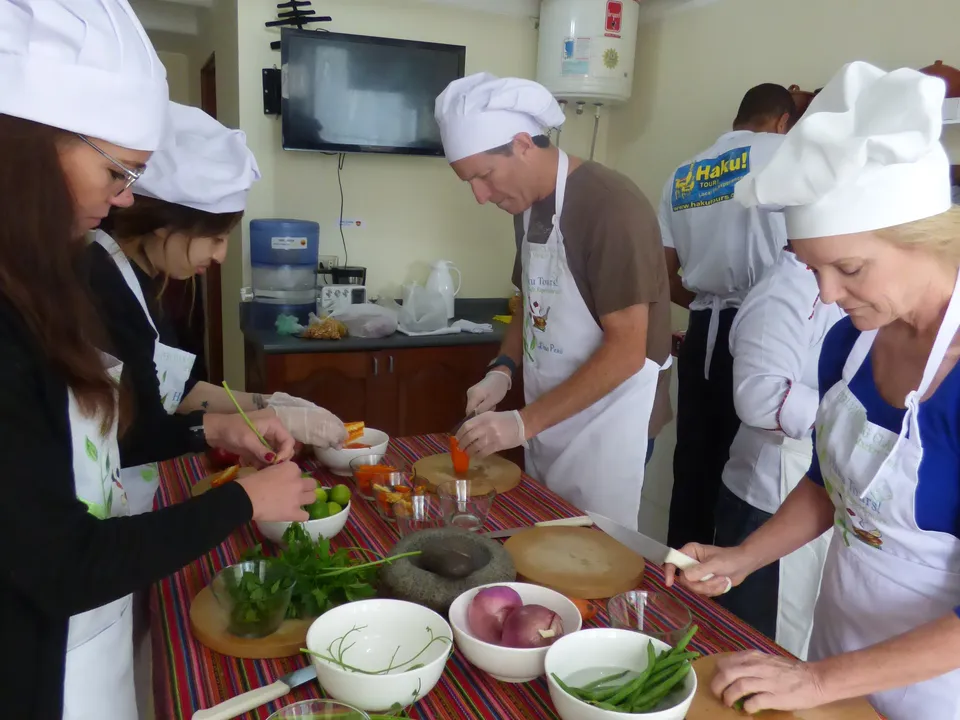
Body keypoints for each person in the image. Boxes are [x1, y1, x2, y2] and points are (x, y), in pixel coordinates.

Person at [0, 2, 315, 717]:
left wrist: (215, 428)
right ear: (29, 150)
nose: (122, 200)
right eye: (118, 172)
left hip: (89, 624)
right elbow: (58, 562)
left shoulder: (42, 282)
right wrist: (242, 500)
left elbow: (107, 437)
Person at [665, 61, 960, 719]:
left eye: (848, 267)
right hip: (837, 651)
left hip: (936, 687)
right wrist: (744, 557)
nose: (826, 294)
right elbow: (831, 483)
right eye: (813, 268)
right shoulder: (851, 344)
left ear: (927, 241)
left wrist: (819, 683)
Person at [87, 100, 348, 515]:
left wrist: (268, 402)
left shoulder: (144, 280)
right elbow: (134, 433)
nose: (222, 255)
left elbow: (179, 390)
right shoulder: (100, 283)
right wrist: (229, 428)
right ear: (167, 223)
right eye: (216, 238)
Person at [436, 73, 672, 530]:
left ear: (523, 144)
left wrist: (522, 424)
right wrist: (503, 369)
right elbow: (530, 299)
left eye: (484, 176)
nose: (480, 197)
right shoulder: (525, 207)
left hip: (608, 426)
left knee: (594, 554)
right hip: (549, 418)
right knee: (546, 541)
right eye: (470, 182)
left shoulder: (611, 208)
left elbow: (627, 351)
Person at [661, 84, 796, 549]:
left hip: (702, 333)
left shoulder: (683, 173)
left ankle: (678, 571)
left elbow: (663, 272)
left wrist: (706, 301)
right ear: (782, 121)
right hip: (766, 332)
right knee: (748, 474)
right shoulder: (785, 154)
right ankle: (731, 581)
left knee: (693, 463)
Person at [715, 248, 844, 657]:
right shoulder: (788, 288)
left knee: (799, 632)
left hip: (818, 487)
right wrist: (855, 419)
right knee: (759, 646)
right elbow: (760, 397)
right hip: (770, 495)